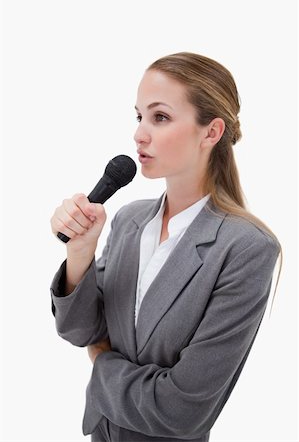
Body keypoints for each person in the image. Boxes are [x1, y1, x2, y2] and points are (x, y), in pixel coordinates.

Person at [50, 52, 282, 442]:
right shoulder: (129, 221)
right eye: (138, 116)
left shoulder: (246, 249)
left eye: (160, 117)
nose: (139, 134)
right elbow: (79, 330)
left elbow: (180, 410)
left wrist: (102, 361)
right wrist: (80, 254)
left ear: (211, 132)